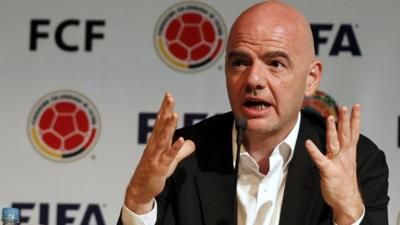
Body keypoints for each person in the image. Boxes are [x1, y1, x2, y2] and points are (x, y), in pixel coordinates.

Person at [117, 1, 389, 225]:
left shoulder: (357, 162)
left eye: (275, 63)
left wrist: (349, 213)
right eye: (239, 62)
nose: (254, 79)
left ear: (311, 78)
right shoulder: (182, 156)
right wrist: (139, 201)